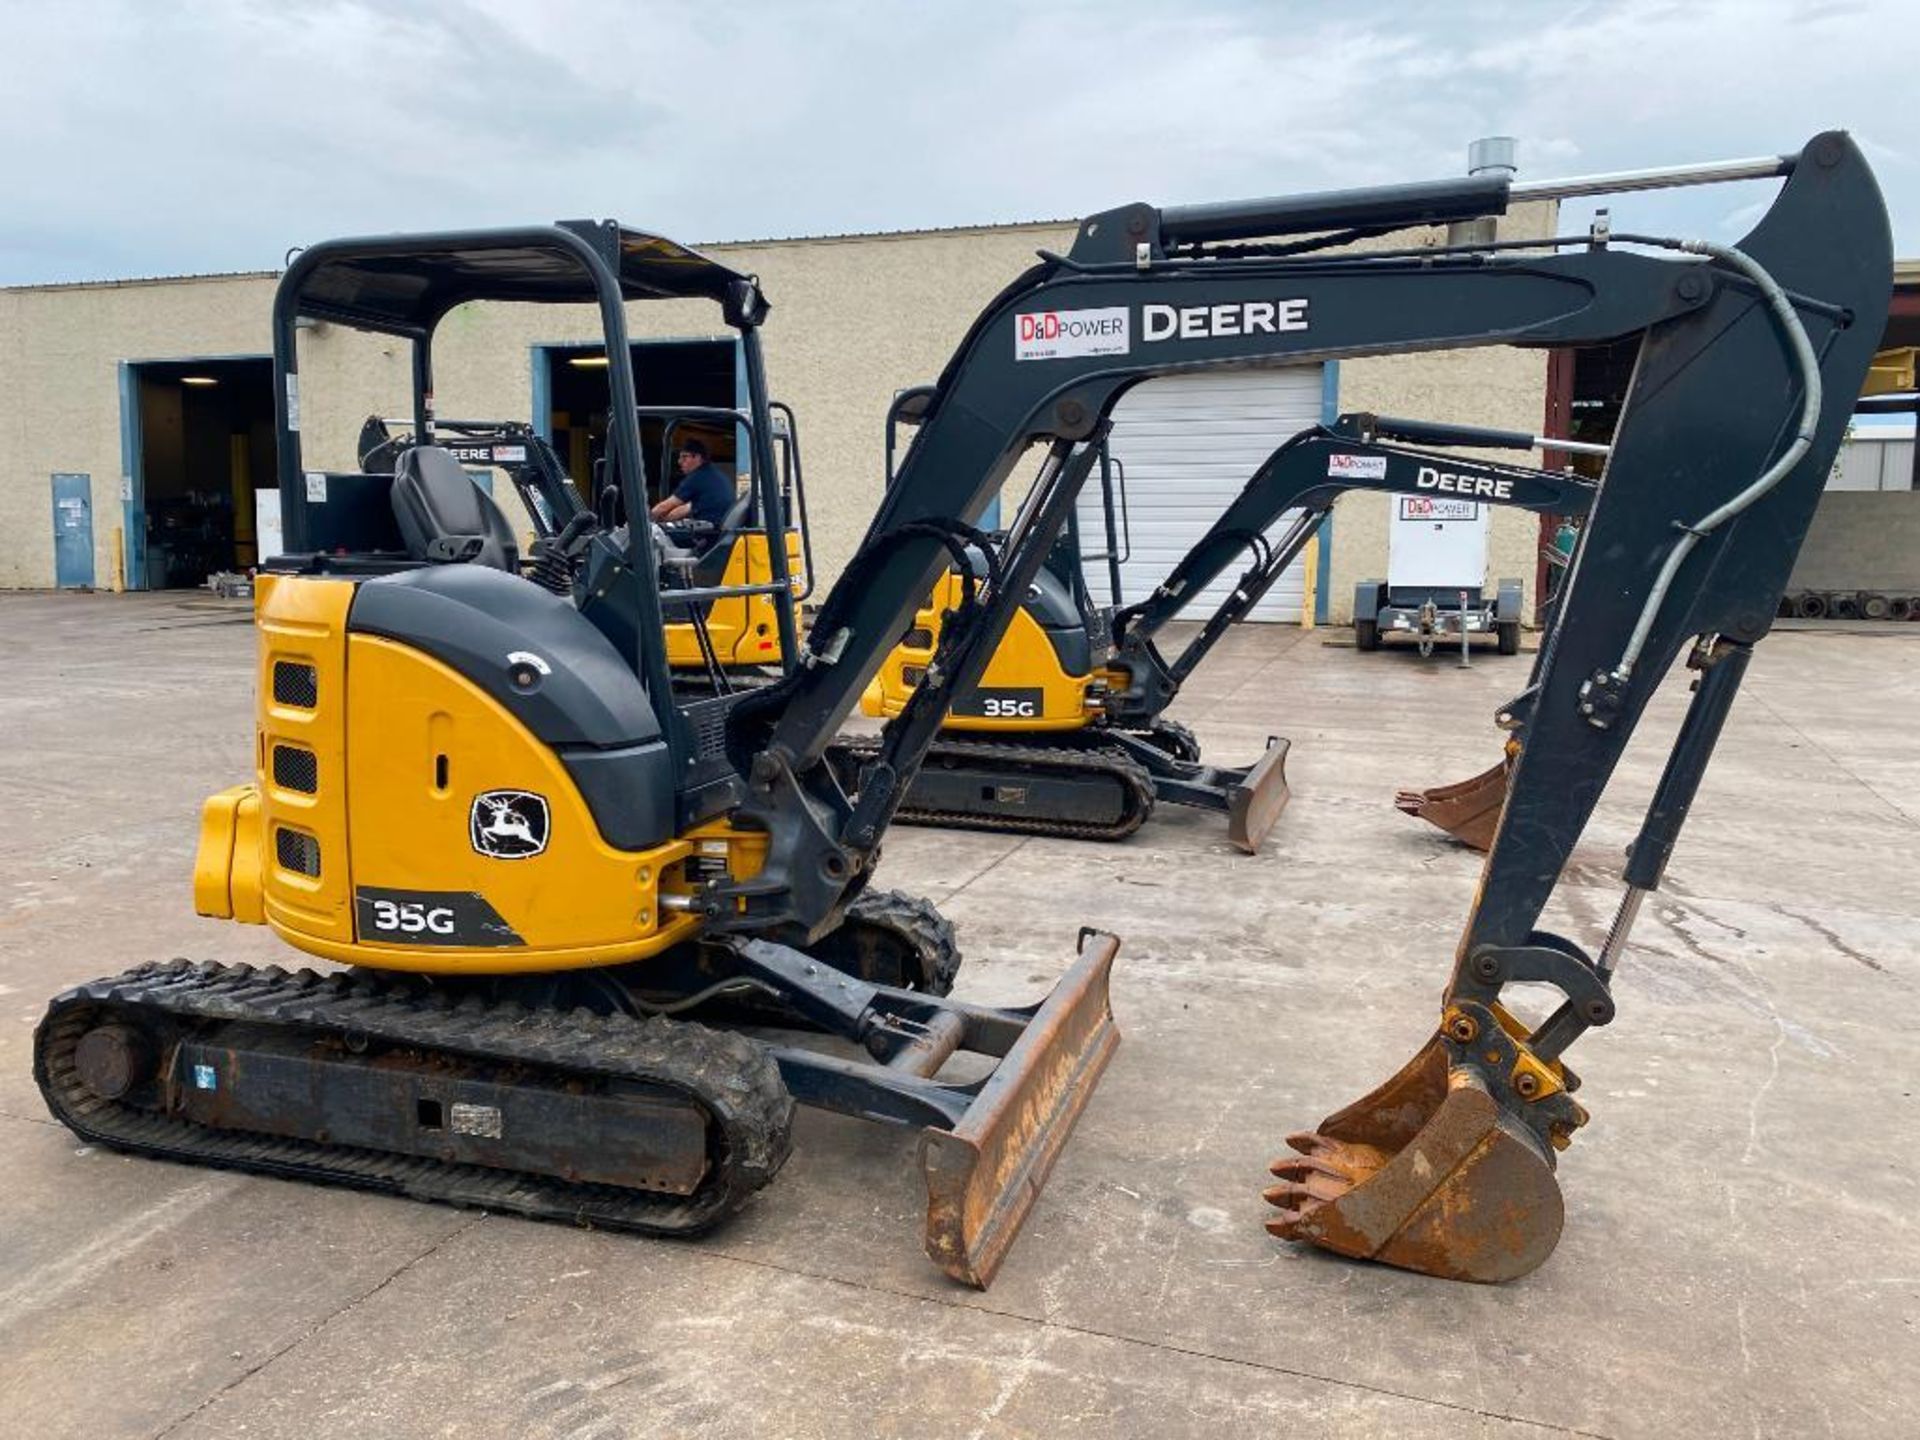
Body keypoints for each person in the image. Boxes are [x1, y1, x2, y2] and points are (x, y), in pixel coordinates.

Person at [650, 439, 734, 527]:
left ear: (697, 457)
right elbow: (686, 508)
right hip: (715, 529)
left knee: (660, 536)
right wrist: (664, 520)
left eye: (684, 457)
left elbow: (664, 507)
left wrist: (645, 520)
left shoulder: (697, 477)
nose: (679, 461)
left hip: (706, 532)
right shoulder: (711, 474)